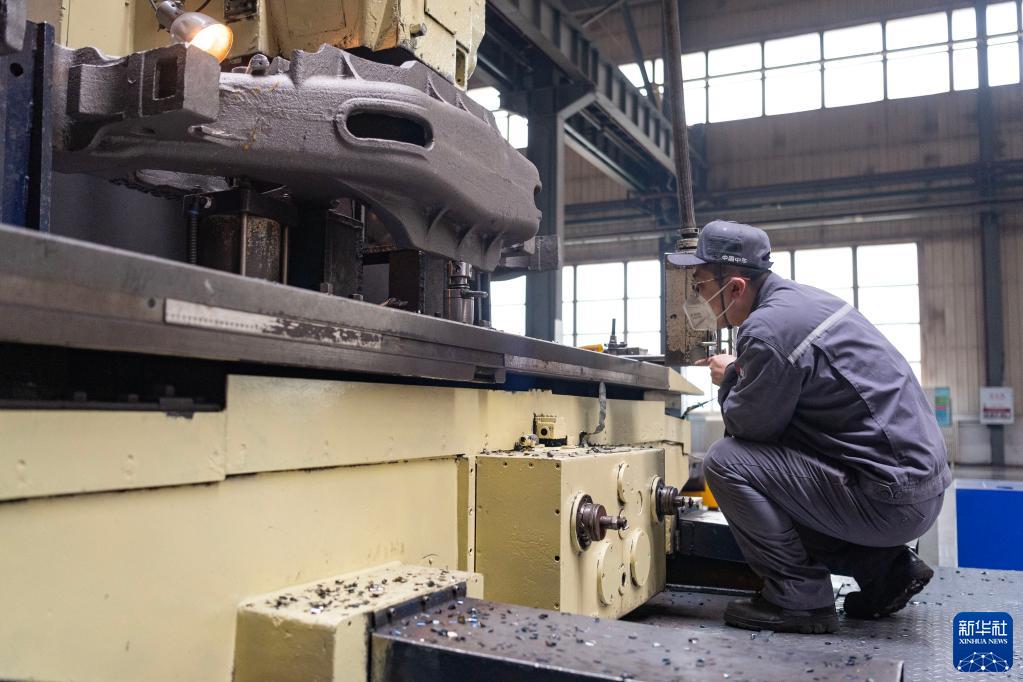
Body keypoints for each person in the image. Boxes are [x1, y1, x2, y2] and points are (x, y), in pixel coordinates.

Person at [668, 220, 950, 634]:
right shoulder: (808, 302)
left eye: (701, 285)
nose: (697, 297)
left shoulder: (767, 330)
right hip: (918, 488)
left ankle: (799, 599)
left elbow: (750, 427)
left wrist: (731, 375)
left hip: (891, 501)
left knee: (727, 462)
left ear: (736, 287)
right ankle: (884, 570)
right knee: (780, 477)